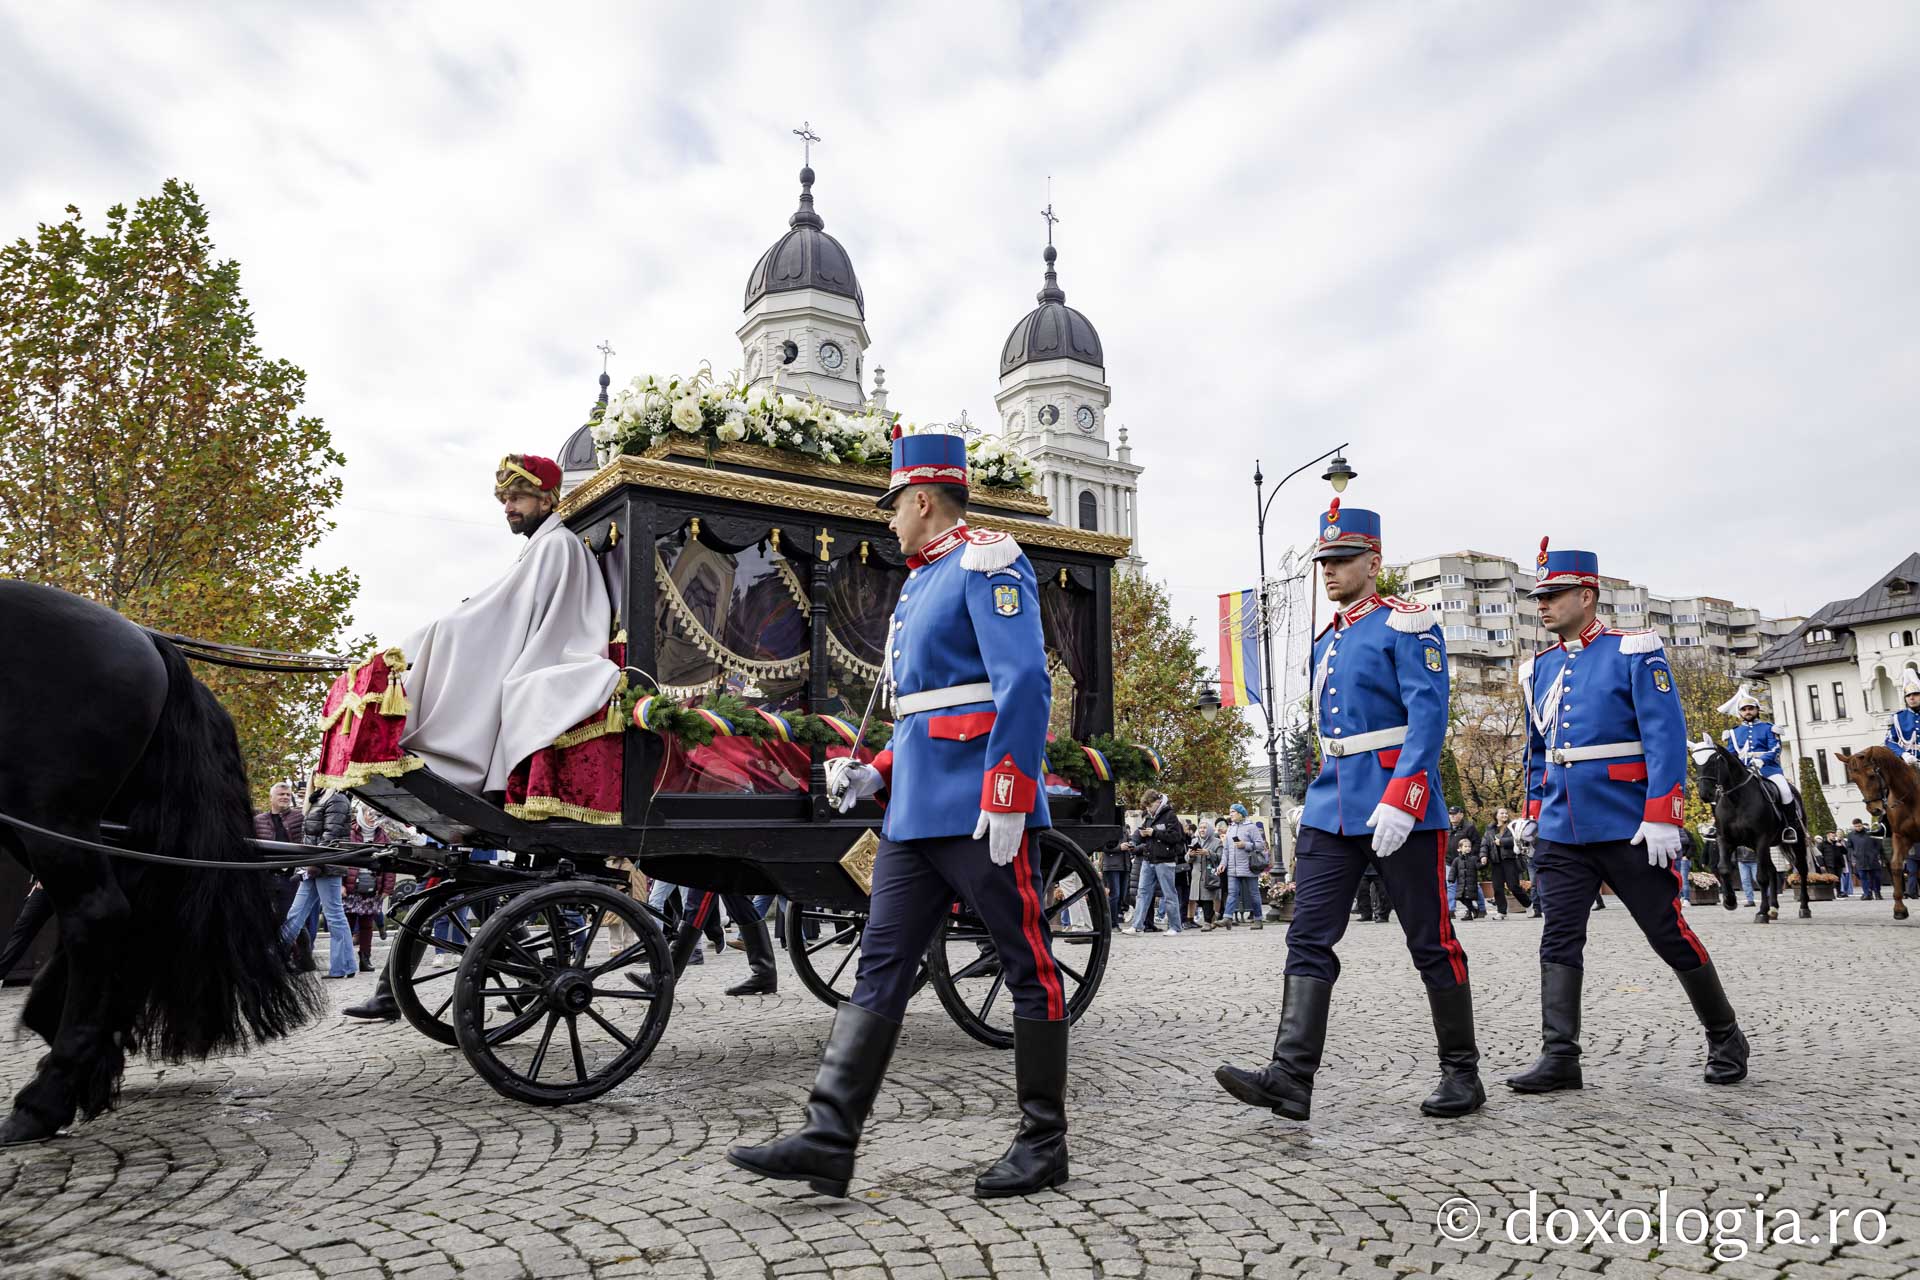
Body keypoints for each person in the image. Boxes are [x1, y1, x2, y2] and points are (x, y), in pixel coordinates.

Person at [729, 428, 1069, 1200]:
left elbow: (1022, 687)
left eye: (893, 506)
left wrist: (1010, 792)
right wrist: (874, 771)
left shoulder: (988, 561)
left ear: (922, 499)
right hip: (917, 810)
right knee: (881, 963)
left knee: (1028, 964)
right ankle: (829, 1136)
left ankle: (1044, 1142)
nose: (886, 520)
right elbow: (921, 709)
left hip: (980, 808)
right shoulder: (922, 582)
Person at [1215, 498, 1481, 1122]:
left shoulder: (1406, 625)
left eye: (1341, 559)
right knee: (1308, 936)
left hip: (1397, 803)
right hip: (1332, 804)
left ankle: (1462, 1074)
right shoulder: (1326, 639)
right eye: (1323, 561)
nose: (1329, 570)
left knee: (1431, 941)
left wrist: (1407, 795)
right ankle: (1290, 1077)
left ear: (1373, 561)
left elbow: (1428, 717)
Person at [1507, 539, 1747, 1094]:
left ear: (1587, 596)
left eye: (1554, 594)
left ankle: (1725, 1035)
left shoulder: (1633, 650)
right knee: (1558, 938)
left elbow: (1665, 734)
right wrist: (1532, 812)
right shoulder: (1538, 669)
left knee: (1667, 932)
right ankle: (1560, 1056)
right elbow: (1538, 752)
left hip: (1628, 822)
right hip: (1563, 828)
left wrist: (1664, 812)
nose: (1542, 605)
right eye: (1538, 596)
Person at [398, 455, 621, 796]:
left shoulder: (556, 545)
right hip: (539, 647)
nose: (507, 508)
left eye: (517, 498)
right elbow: (507, 607)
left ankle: (446, 756)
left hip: (559, 654)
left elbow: (510, 612)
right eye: (505, 500)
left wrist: (442, 631)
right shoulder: (542, 545)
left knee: (453, 638)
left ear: (546, 499)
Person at [1717, 684, 1809, 855]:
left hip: (1769, 770)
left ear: (1757, 710)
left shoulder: (1768, 728)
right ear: (1740, 713)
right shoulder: (1733, 733)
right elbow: (1730, 755)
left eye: (1750, 708)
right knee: (1722, 792)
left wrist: (1762, 760)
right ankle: (1719, 827)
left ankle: (1789, 828)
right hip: (1744, 772)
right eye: (1744, 709)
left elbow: (1775, 748)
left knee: (1785, 791)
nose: (1747, 712)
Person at [281, 787, 359, 979]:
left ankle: (343, 967)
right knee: (296, 914)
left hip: (325, 866)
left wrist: (315, 862)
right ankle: (275, 958)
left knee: (334, 915)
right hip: (314, 865)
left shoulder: (337, 798)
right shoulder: (319, 797)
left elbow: (331, 835)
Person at [1122, 791, 1187, 935]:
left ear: (1157, 802)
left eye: (1149, 806)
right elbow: (1140, 834)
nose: (1148, 809)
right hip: (1148, 859)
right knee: (1142, 893)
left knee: (1169, 893)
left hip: (1165, 860)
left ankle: (1175, 926)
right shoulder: (1149, 817)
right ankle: (1137, 925)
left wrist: (1154, 833)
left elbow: (1176, 837)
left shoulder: (1170, 816)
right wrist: (1135, 840)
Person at [1220, 802, 1269, 929]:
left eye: (1233, 812)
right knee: (1232, 893)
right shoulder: (1230, 828)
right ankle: (1227, 918)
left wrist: (1245, 845)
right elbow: (1226, 849)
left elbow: (1260, 845)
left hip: (1248, 867)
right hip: (1232, 868)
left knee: (1254, 894)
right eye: (1230, 812)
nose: (1231, 814)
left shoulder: (1251, 827)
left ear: (1241, 813)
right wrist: (1222, 864)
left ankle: (1258, 919)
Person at [1482, 808, 1532, 919]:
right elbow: (1484, 844)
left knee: (1513, 886)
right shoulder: (1490, 829)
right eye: (1502, 813)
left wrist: (1502, 842)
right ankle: (1501, 912)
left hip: (1510, 860)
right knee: (1497, 888)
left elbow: (1517, 839)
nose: (1504, 815)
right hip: (1496, 861)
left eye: (1505, 813)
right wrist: (1483, 856)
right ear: (1496, 816)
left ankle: (1528, 905)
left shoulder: (1512, 827)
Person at [1188, 823, 1224, 930]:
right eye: (1200, 828)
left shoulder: (1217, 842)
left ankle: (1207, 922)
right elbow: (1187, 858)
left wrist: (1208, 853)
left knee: (1207, 899)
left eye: (1204, 828)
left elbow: (1221, 857)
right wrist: (1191, 855)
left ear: (1209, 830)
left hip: (1209, 875)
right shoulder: (1194, 841)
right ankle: (1213, 916)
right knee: (1199, 899)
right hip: (1196, 876)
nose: (1202, 830)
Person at [1884, 669, 1920, 765]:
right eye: (1908, 695)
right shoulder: (1897, 717)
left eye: (1916, 694)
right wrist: (1903, 754)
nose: (1911, 698)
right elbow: (1889, 741)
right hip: (1908, 762)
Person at [1846, 819, 1885, 899]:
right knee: (1863, 878)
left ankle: (1877, 893)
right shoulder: (1851, 835)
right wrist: (1853, 859)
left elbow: (1878, 845)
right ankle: (1867, 893)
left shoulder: (1870, 833)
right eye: (1856, 826)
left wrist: (1877, 856)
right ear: (1854, 826)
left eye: (1859, 826)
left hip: (1872, 859)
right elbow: (1850, 848)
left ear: (1862, 824)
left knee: (1876, 877)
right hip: (1860, 859)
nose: (1858, 828)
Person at [1450, 835, 1486, 920]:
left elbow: (1478, 866)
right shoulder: (1457, 860)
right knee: (1461, 898)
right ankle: (1474, 910)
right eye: (1465, 846)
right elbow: (1453, 870)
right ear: (1459, 849)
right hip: (1461, 884)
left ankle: (1469, 914)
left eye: (1469, 846)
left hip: (1471, 884)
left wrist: (1483, 864)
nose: (1468, 848)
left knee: (1468, 899)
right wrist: (1451, 878)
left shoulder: (1473, 858)